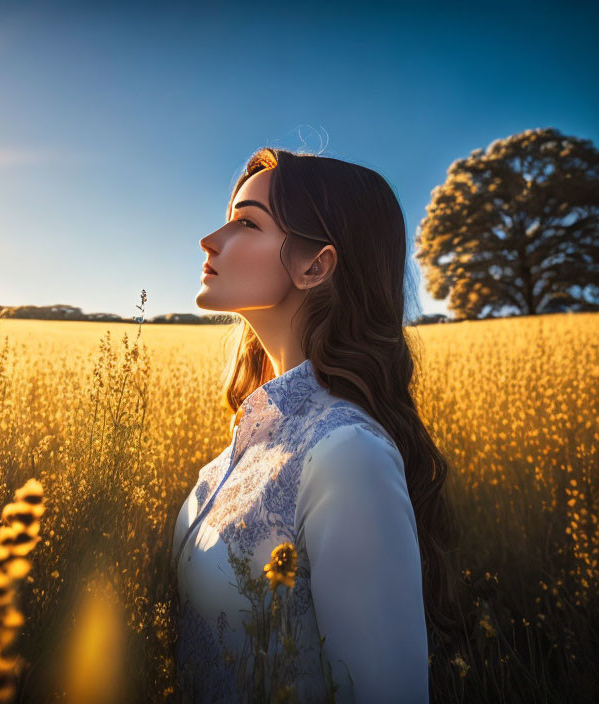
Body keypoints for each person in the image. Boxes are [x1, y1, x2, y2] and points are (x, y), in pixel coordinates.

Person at [171, 148, 458, 703]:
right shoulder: (249, 442)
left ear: (315, 265)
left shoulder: (348, 454)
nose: (211, 239)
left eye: (247, 222)